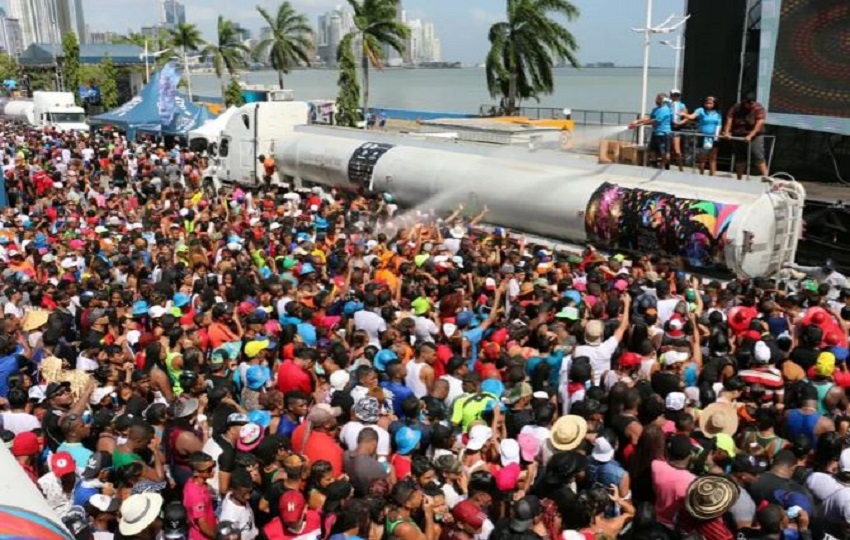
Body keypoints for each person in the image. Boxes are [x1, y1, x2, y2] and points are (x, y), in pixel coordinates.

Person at [723, 92, 768, 179]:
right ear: (744, 101)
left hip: (755, 134)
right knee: (740, 156)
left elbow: (759, 123)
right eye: (748, 102)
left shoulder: (758, 108)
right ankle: (739, 178)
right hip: (739, 133)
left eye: (752, 102)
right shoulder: (737, 107)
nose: (750, 104)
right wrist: (727, 132)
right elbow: (729, 118)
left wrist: (751, 135)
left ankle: (766, 177)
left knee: (757, 154)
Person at [630, 93, 674, 168]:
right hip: (655, 133)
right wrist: (637, 121)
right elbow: (649, 118)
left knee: (664, 153)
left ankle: (664, 167)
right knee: (652, 151)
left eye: (657, 98)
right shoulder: (655, 109)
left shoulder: (665, 110)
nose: (655, 100)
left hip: (663, 134)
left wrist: (639, 125)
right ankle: (654, 165)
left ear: (662, 100)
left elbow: (655, 121)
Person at [682, 96, 723, 175]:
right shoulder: (700, 110)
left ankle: (713, 176)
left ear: (715, 104)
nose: (708, 105)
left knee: (713, 158)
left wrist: (717, 137)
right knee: (702, 158)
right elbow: (692, 116)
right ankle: (701, 174)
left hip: (715, 137)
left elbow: (719, 124)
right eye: (706, 103)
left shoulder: (718, 112)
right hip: (703, 136)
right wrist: (685, 114)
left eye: (710, 103)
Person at [184, 452, 218, 540]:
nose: (213, 470)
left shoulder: (193, 483)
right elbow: (202, 524)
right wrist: (218, 537)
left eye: (213, 465)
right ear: (196, 472)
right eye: (209, 469)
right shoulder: (196, 496)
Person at [669, 89, 689, 172]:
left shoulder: (682, 105)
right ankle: (666, 167)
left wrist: (680, 123)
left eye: (677, 95)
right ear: (671, 95)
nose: (675, 97)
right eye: (674, 95)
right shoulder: (667, 104)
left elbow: (686, 117)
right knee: (667, 148)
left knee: (677, 150)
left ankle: (681, 169)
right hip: (667, 126)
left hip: (676, 127)